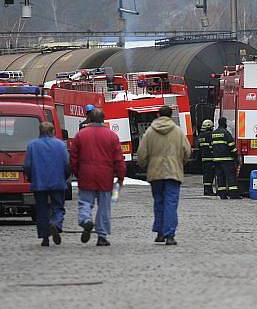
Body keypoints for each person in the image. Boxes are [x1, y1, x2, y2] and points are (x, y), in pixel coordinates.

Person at [70, 108, 125, 247]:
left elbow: (73, 158)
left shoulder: (80, 135)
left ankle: (85, 220)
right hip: (105, 176)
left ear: (89, 119)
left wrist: (77, 173)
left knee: (85, 202)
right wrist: (120, 176)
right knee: (104, 207)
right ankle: (102, 236)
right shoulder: (112, 136)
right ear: (103, 119)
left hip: (86, 174)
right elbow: (118, 158)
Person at [137, 105, 191, 246]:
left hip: (155, 172)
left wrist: (145, 165)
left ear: (157, 115)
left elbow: (142, 154)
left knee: (159, 202)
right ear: (171, 115)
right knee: (171, 203)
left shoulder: (149, 132)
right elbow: (187, 151)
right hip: (173, 172)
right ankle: (169, 235)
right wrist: (180, 162)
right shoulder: (178, 132)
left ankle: (160, 232)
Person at [23, 122, 70, 247]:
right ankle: (55, 223)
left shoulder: (32, 145)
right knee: (58, 207)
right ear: (53, 131)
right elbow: (66, 164)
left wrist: (31, 178)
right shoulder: (60, 145)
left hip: (39, 182)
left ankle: (45, 237)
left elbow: (27, 165)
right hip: (57, 182)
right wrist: (65, 177)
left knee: (42, 210)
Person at [211, 117, 240, 199]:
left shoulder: (213, 133)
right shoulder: (226, 133)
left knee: (220, 177)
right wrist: (236, 156)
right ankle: (233, 194)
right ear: (224, 123)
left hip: (216, 160)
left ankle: (222, 194)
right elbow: (232, 146)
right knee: (230, 177)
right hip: (227, 160)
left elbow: (211, 147)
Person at [198, 119, 215, 196]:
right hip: (210, 158)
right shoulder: (210, 135)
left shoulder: (201, 135)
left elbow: (199, 147)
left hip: (204, 158)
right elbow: (212, 146)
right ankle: (209, 191)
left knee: (206, 175)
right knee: (210, 175)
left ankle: (206, 190)